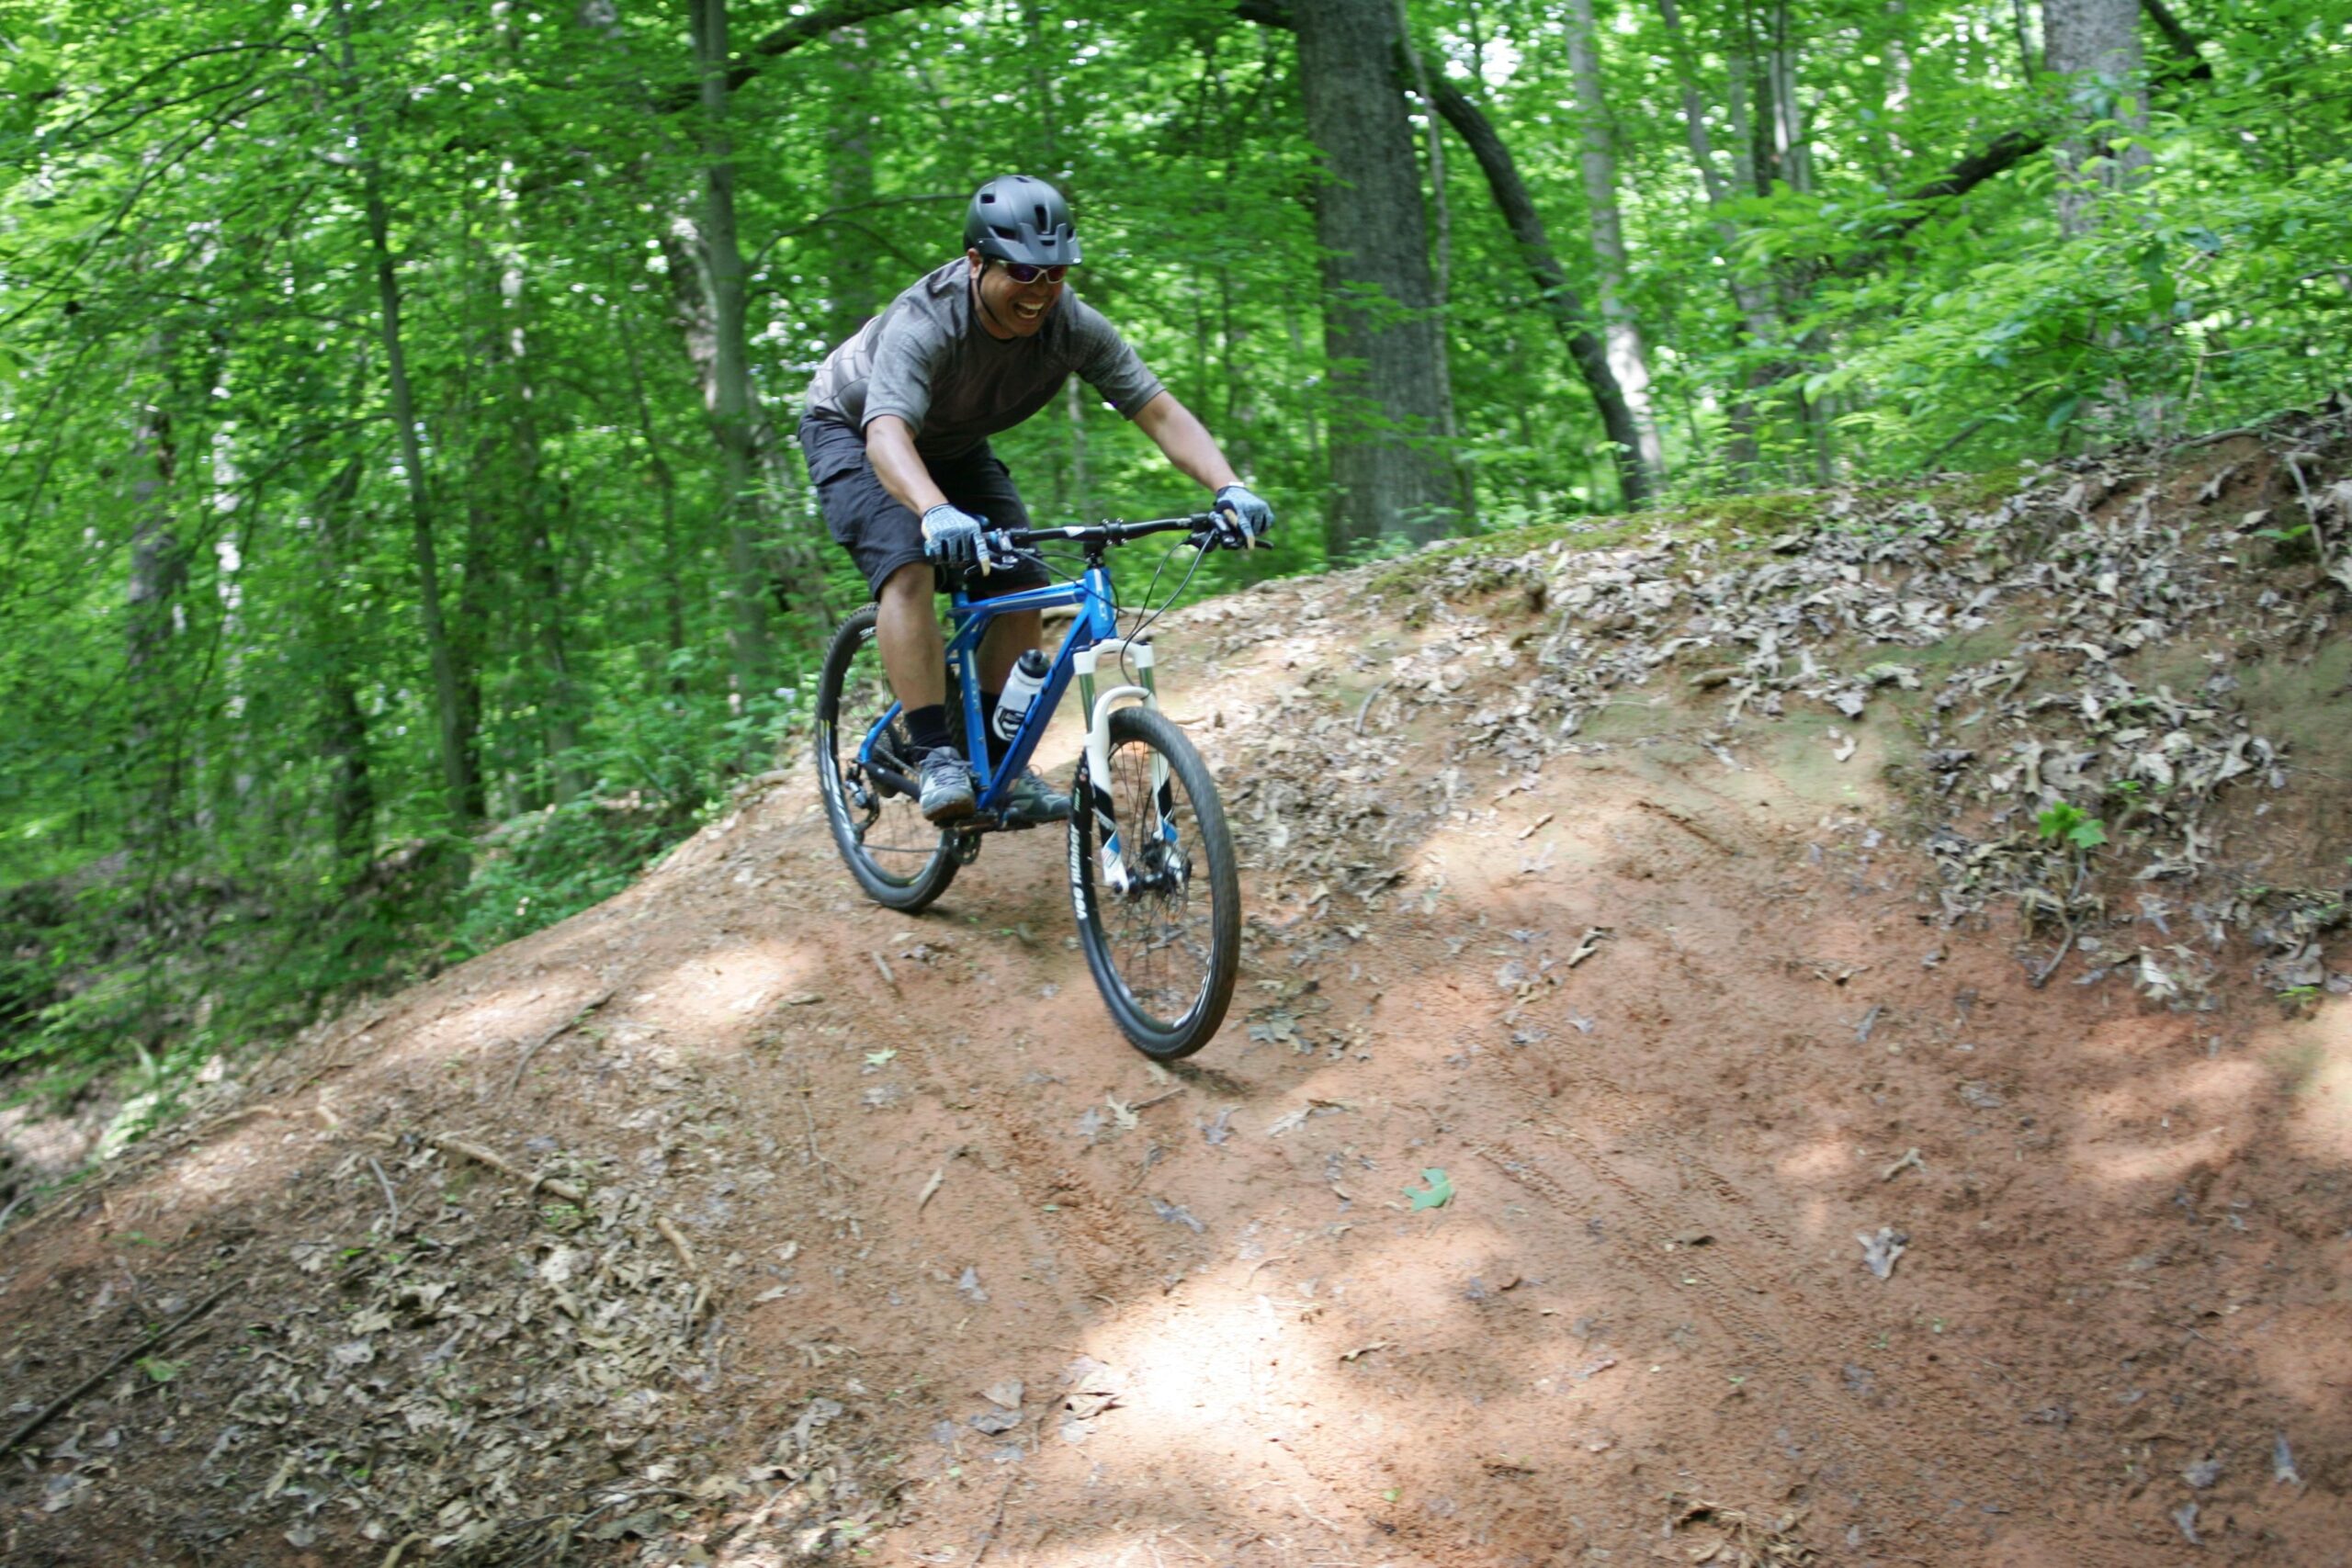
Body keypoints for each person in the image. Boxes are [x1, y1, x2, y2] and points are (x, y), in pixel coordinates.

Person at [798, 174, 1274, 825]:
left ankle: (996, 761)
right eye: (1022, 271)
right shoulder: (927, 322)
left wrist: (1231, 485)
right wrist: (934, 511)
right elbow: (885, 436)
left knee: (1019, 578)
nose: (1041, 290)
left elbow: (1158, 412)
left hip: (954, 442)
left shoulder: (1070, 324)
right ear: (975, 262)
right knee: (907, 566)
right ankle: (933, 751)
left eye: (1055, 273)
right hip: (855, 431)